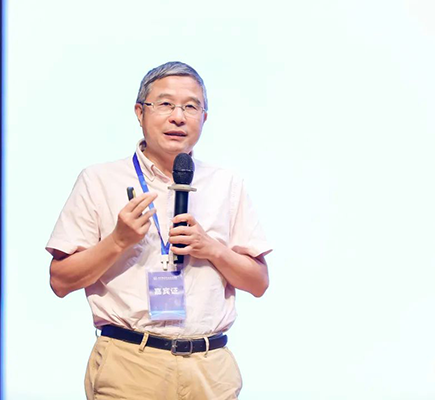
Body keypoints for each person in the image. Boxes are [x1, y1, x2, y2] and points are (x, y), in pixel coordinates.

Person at [46, 61, 271, 400]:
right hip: (130, 364)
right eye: (165, 104)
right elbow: (60, 281)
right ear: (140, 112)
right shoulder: (99, 180)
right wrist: (118, 241)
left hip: (210, 368)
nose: (178, 117)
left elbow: (258, 282)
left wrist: (212, 249)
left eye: (191, 107)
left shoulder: (227, 184)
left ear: (204, 118)